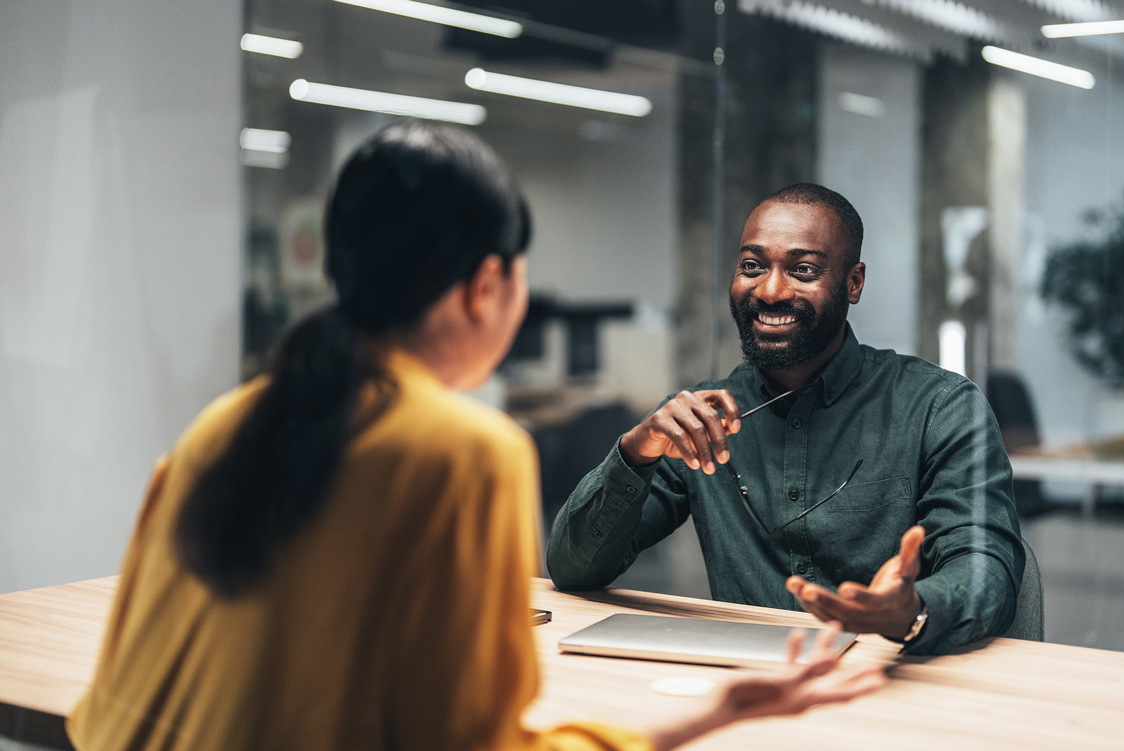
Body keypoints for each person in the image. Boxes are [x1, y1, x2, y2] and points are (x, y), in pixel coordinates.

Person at [67, 124, 883, 751]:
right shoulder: (466, 451)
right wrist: (711, 714)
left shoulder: (227, 421)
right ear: (487, 284)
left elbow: (118, 711)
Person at [546, 183, 1025, 656]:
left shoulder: (938, 407)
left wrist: (912, 609)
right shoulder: (698, 421)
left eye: (803, 270)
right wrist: (635, 452)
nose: (771, 291)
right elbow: (574, 570)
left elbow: (986, 569)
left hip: (889, 681)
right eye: (752, 266)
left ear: (853, 283)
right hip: (747, 689)